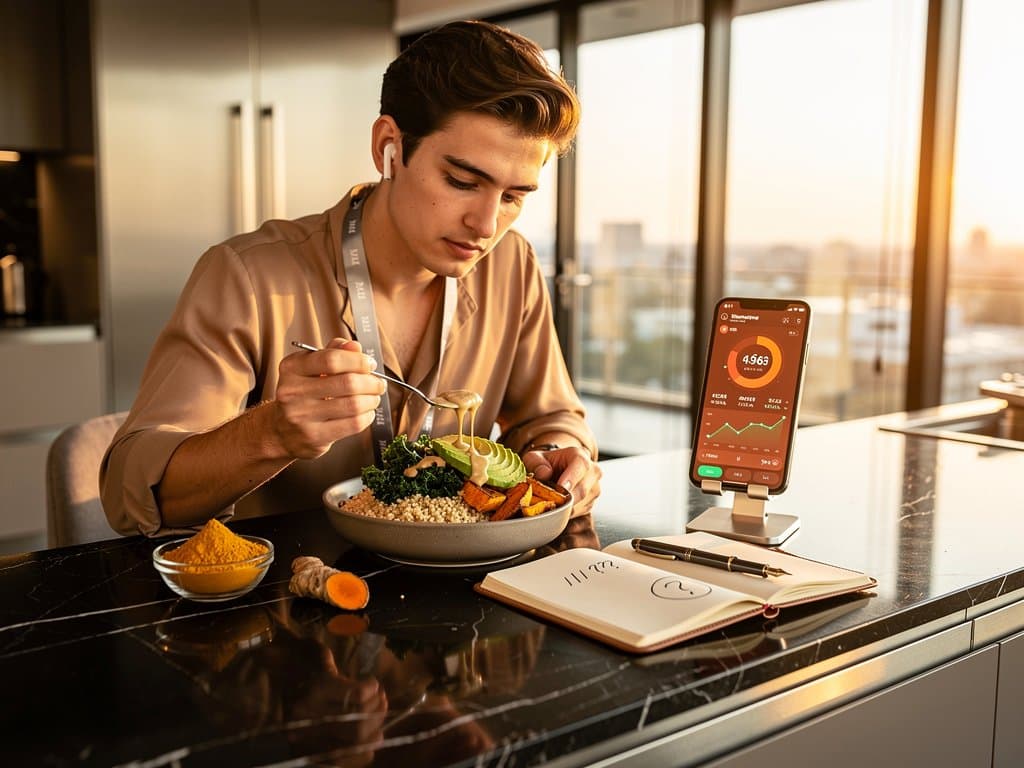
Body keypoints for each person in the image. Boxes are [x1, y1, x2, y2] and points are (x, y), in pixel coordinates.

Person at [100, 19, 602, 537]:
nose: (487, 223)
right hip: (287, 598)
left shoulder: (511, 264)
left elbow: (552, 418)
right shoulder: (246, 275)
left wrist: (557, 457)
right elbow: (129, 493)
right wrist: (272, 433)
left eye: (515, 196)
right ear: (389, 146)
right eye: (461, 181)